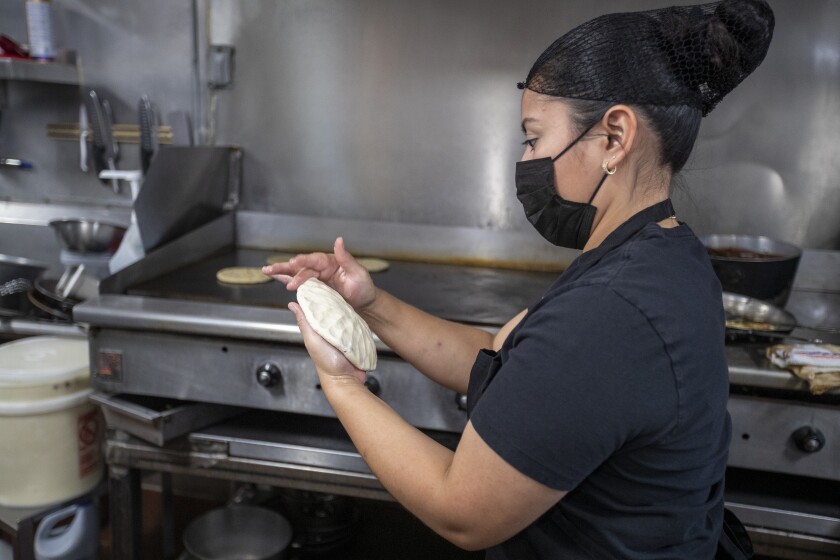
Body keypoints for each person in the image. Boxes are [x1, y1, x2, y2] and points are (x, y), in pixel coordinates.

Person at [263, 0, 774, 557]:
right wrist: (370, 302)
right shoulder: (664, 253)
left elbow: (462, 512)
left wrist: (339, 382)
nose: (526, 160)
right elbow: (503, 360)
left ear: (614, 137)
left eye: (534, 138)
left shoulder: (611, 312)